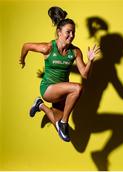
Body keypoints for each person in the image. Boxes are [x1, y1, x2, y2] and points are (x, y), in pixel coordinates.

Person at [19, 6, 99, 142]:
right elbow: (26, 46)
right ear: (59, 32)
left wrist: (90, 61)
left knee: (61, 132)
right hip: (48, 89)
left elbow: (85, 74)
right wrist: (22, 59)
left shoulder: (75, 52)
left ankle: (40, 105)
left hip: (62, 95)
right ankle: (64, 122)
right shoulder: (48, 48)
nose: (71, 35)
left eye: (73, 32)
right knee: (78, 88)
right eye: (68, 32)